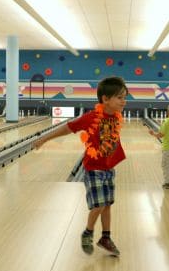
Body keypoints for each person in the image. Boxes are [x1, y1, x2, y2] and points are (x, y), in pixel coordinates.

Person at [33, 76, 128, 256]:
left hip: (109, 169)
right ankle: (88, 232)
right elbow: (68, 127)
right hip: (93, 168)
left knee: (107, 204)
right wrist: (44, 139)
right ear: (105, 99)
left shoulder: (116, 117)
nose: (124, 101)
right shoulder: (91, 117)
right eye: (120, 97)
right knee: (98, 205)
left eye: (125, 97)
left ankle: (106, 238)